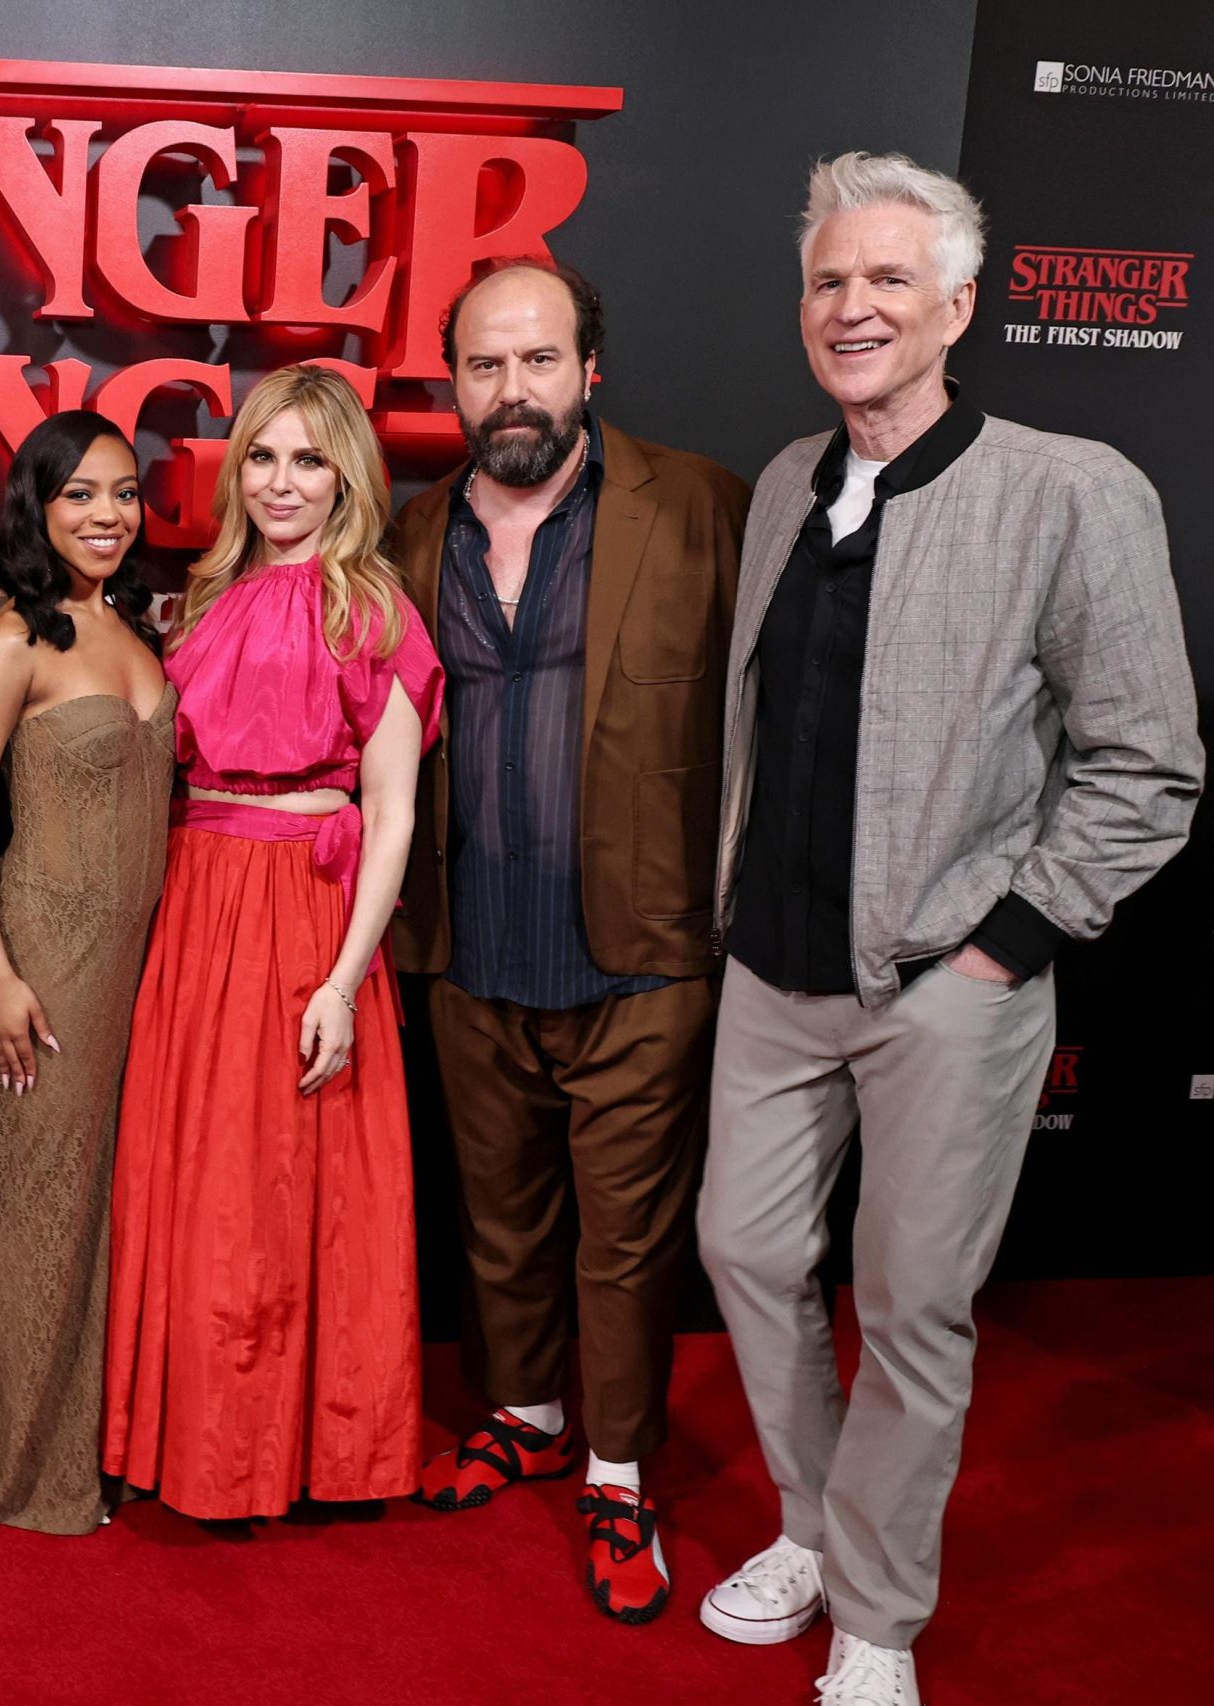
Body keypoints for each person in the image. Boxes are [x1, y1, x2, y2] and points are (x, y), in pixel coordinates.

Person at [696, 153, 1200, 1706]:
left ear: (960, 305)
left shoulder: (1070, 491)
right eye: (828, 281)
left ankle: (878, 1612)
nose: (851, 307)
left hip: (948, 988)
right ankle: (811, 1525)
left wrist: (1006, 945)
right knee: (745, 1249)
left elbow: (1149, 765)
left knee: (912, 1308)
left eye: (888, 279)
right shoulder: (785, 482)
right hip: (772, 971)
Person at [389, 261, 749, 1623]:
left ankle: (617, 1469)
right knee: (501, 1218)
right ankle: (526, 1412)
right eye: (485, 365)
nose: (513, 391)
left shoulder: (700, 506)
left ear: (590, 367)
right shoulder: (411, 533)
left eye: (538, 360)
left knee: (624, 1238)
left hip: (641, 954)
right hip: (467, 946)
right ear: (453, 383)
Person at [102, 365, 443, 1521]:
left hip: (304, 914)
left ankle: (295, 1450)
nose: (282, 481)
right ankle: (193, 1435)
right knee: (197, 1183)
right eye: (262, 455)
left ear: (347, 476)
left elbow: (391, 813)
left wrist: (343, 980)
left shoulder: (375, 611)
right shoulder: (200, 598)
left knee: (288, 1188)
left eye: (308, 459)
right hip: (194, 907)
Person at [0, 413, 173, 1535]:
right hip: (47, 956)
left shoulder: (131, 626)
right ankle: (21, 1472)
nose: (107, 514)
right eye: (79, 494)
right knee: (43, 1206)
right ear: (37, 506)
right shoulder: (11, 641)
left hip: (139, 962)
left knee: (109, 1205)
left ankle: (93, 1443)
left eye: (123, 492)